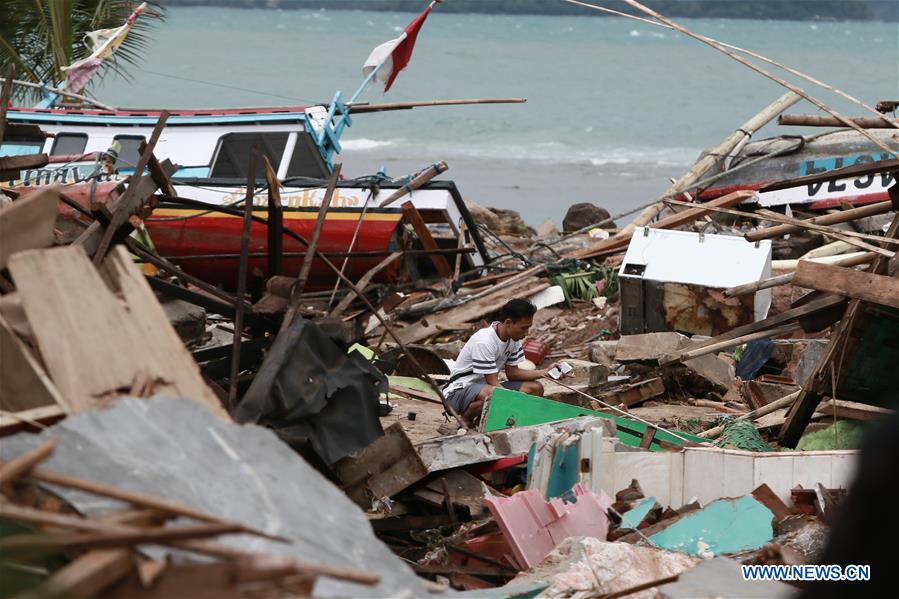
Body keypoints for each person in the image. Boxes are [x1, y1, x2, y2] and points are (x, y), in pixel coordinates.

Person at [443, 298, 567, 427]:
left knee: (535, 388)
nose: (526, 333)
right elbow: (493, 382)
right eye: (523, 328)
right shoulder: (484, 341)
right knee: (494, 394)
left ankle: (488, 421)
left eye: (528, 328)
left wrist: (546, 372)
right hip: (457, 393)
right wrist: (515, 401)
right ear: (508, 323)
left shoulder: (513, 340)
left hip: (485, 389)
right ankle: (465, 420)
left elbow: (513, 373)